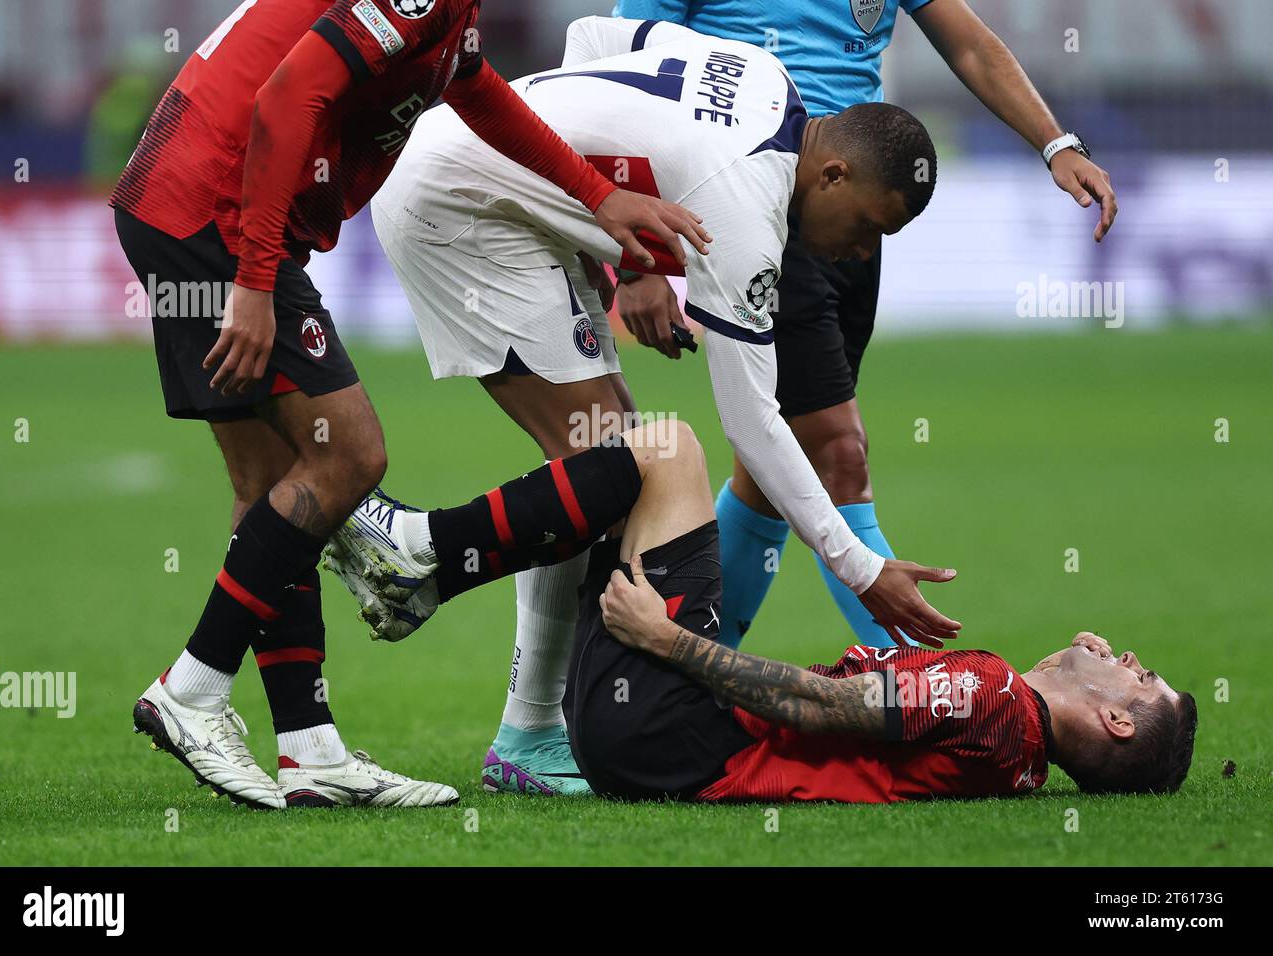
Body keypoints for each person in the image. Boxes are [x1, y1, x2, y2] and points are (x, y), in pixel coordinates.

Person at [116, 0, 710, 811]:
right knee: (349, 456)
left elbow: (475, 86)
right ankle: (192, 689)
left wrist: (598, 199)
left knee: (275, 487)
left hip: (178, 199)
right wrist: (255, 281)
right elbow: (285, 100)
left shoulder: (447, 12)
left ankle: (310, 749)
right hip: (215, 211)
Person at [364, 16, 960, 796]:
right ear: (835, 175)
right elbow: (753, 422)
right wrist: (858, 565)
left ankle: (526, 722)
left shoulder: (763, 76)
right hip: (460, 202)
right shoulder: (745, 211)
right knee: (605, 461)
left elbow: (592, 38)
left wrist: (604, 216)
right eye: (869, 229)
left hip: (482, 175)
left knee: (606, 460)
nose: (859, 253)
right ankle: (424, 560)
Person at [326, 420, 1196, 802]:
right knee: (603, 477)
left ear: (1117, 720)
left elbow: (825, 705)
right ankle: (493, 682)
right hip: (656, 747)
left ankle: (423, 553)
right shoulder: (1020, 765)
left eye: (1137, 672)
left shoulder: (994, 696)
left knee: (665, 449)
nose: (1109, 645)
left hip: (675, 735)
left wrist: (671, 640)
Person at [613, 0, 1118, 650]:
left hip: (854, 203)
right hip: (759, 189)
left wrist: (1054, 143)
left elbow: (967, 42)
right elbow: (635, 60)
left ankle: (674, 677)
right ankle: (935, 703)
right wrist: (637, 259)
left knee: (769, 478)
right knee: (837, 452)